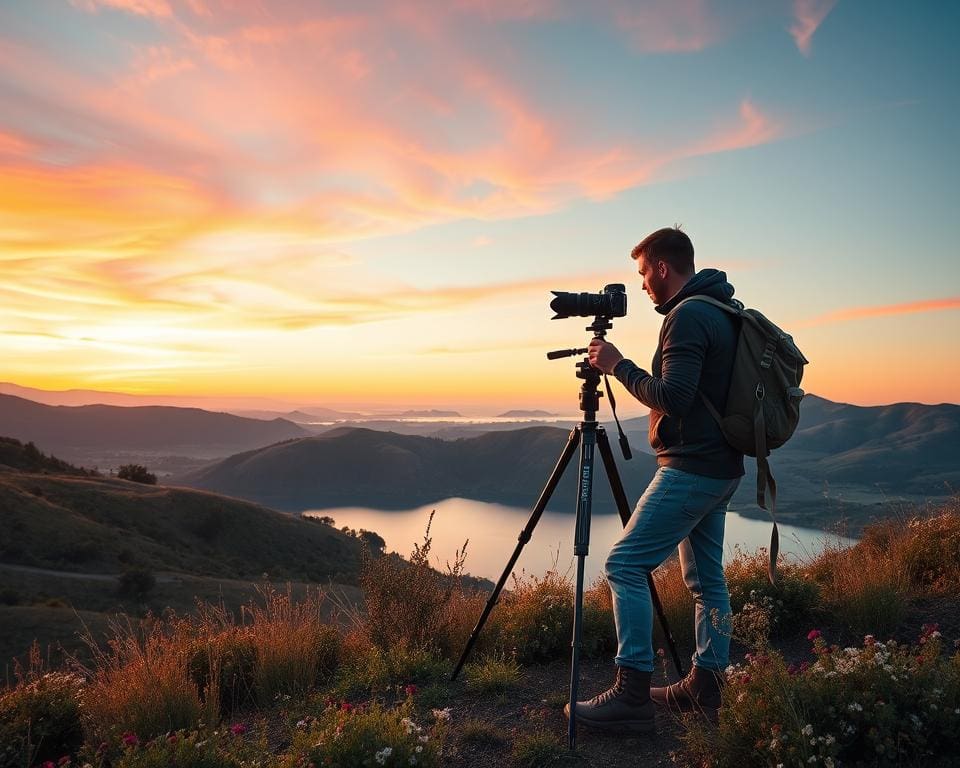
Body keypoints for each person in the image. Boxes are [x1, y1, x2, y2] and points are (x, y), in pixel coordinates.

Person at [564, 226, 745, 734]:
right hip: (723, 467)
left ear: (663, 268)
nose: (642, 284)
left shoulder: (687, 316)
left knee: (624, 563)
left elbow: (675, 396)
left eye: (644, 272)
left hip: (691, 468)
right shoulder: (721, 309)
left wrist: (618, 365)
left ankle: (632, 693)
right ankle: (707, 685)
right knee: (707, 581)